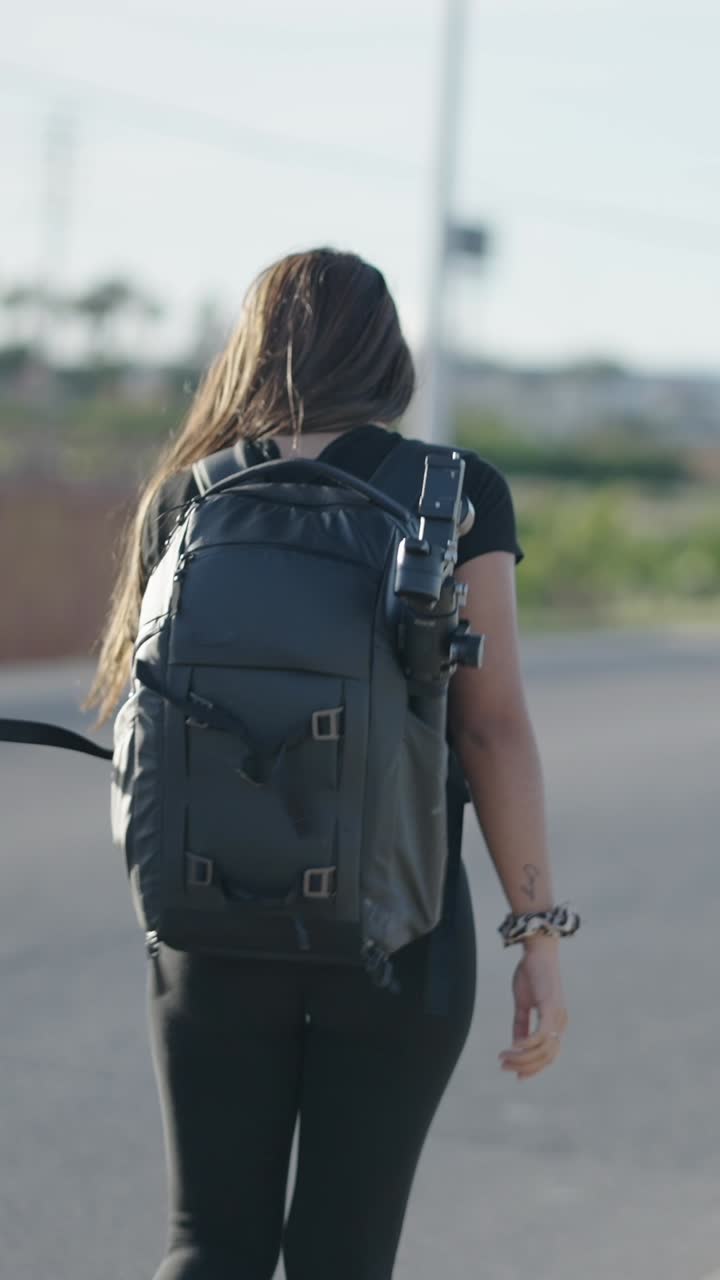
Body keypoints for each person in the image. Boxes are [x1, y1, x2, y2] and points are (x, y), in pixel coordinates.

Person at [86, 248, 570, 1280]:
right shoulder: (456, 491)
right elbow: (492, 731)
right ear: (387, 351)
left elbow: (141, 721)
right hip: (396, 932)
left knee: (206, 1239)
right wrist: (536, 932)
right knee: (344, 1253)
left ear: (252, 351)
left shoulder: (189, 497)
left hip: (208, 925)